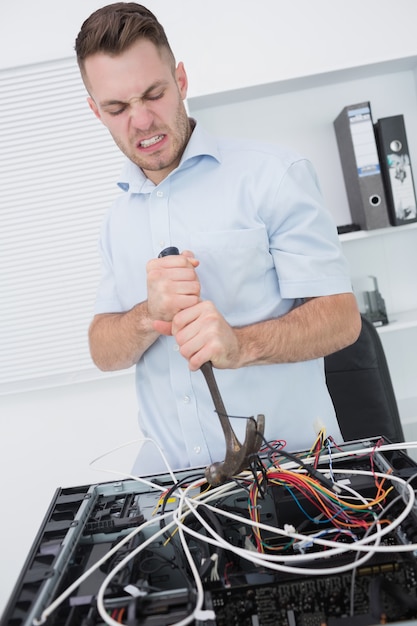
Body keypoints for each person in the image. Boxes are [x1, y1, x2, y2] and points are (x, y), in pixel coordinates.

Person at [75, 3, 361, 476]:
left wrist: (241, 346)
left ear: (181, 81)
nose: (142, 121)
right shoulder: (116, 218)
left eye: (154, 94)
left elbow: (342, 319)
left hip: (291, 479)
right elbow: (104, 351)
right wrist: (148, 315)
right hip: (174, 493)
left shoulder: (272, 176)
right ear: (95, 111)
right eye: (118, 107)